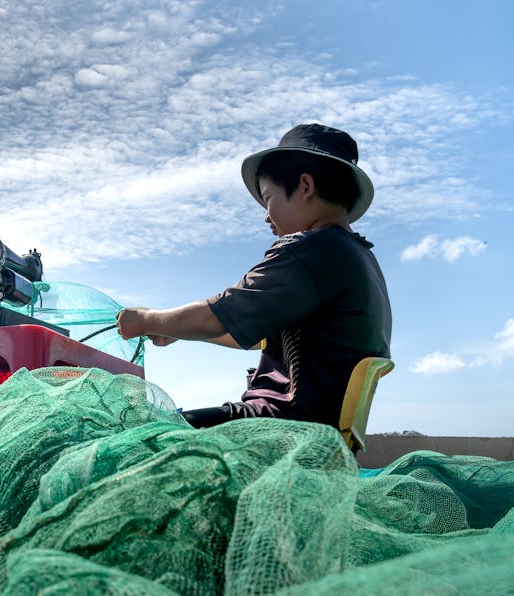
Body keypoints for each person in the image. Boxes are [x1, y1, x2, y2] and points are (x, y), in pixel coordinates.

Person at [116, 123, 392, 429]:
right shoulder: (357, 256)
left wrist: (145, 320)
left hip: (286, 425)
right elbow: (245, 330)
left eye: (268, 197)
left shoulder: (312, 250)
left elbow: (219, 315)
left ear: (304, 186)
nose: (265, 214)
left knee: (148, 436)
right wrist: (179, 330)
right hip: (318, 429)